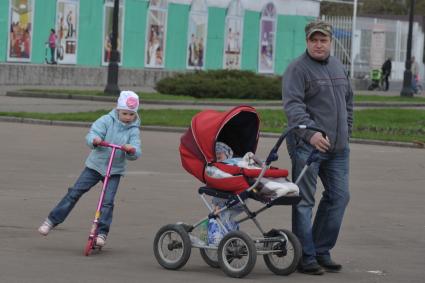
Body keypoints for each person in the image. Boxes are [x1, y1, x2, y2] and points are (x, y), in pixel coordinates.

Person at [282, 20, 353, 275]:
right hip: (307, 147)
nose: (319, 44)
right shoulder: (297, 69)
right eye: (314, 40)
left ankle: (321, 250)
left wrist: (347, 133)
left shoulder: (337, 66)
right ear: (307, 41)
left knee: (339, 197)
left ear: (331, 42)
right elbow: (293, 107)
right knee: (303, 201)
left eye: (323, 40)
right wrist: (311, 134)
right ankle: (305, 256)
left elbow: (348, 103)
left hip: (338, 149)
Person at [38, 91, 142, 247]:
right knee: (74, 192)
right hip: (95, 166)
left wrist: (131, 149)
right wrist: (95, 140)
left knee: (107, 202)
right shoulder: (106, 120)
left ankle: (102, 233)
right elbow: (92, 133)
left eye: (131, 114)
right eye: (125, 113)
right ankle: (51, 221)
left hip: (114, 171)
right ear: (118, 110)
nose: (128, 117)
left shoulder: (133, 129)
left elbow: (136, 148)